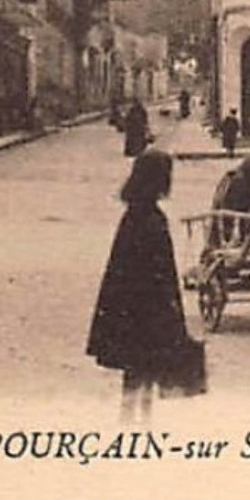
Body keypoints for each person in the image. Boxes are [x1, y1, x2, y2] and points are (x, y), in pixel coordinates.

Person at [86, 150, 192, 423]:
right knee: (147, 364)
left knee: (136, 367)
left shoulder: (134, 213)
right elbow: (162, 269)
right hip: (149, 305)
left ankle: (131, 416)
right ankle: (141, 418)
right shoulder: (152, 218)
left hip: (128, 305)